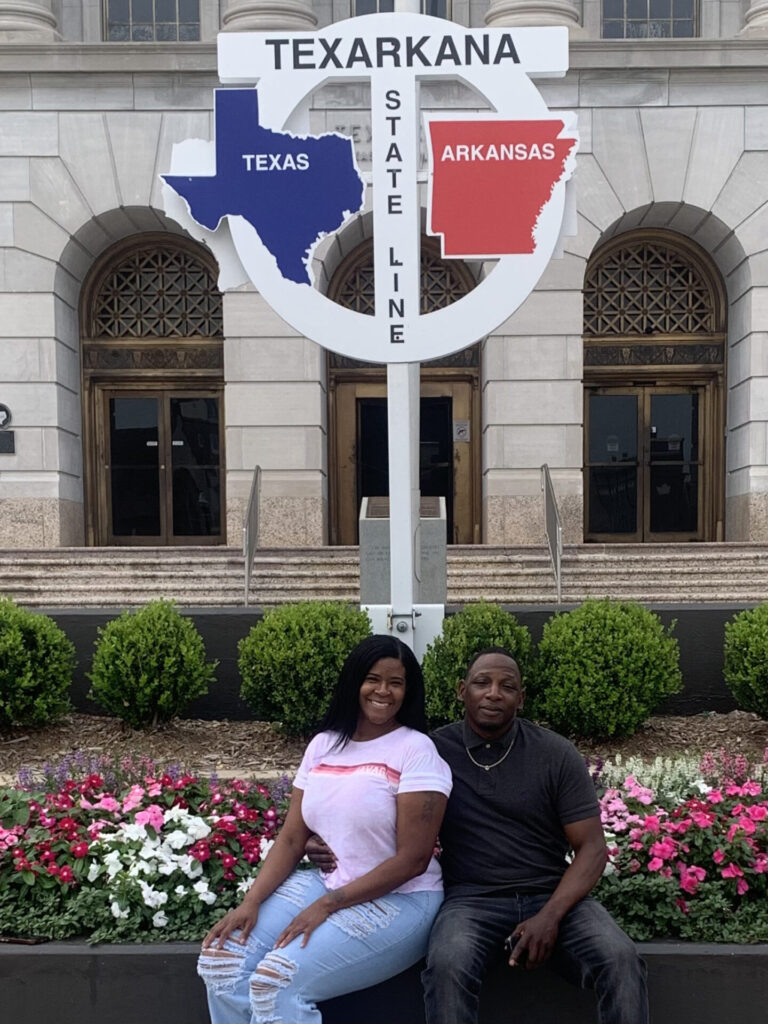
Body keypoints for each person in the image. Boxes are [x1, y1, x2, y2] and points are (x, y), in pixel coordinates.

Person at [309, 646, 648, 1024]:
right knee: (447, 965)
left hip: (550, 893)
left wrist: (549, 916)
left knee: (621, 959)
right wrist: (319, 839)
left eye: (507, 686)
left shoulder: (555, 754)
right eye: (482, 682)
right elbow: (371, 814)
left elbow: (592, 849)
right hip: (470, 898)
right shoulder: (431, 751)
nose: (493, 693)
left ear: (521, 697)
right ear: (461, 690)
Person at [197, 634, 452, 1024]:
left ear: (408, 691)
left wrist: (327, 906)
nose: (383, 691)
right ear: (354, 682)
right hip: (328, 883)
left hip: (403, 900)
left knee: (276, 981)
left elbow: (414, 860)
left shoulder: (416, 751)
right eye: (373, 679)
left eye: (396, 683)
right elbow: (293, 837)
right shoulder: (324, 745)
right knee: (222, 961)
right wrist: (250, 902)